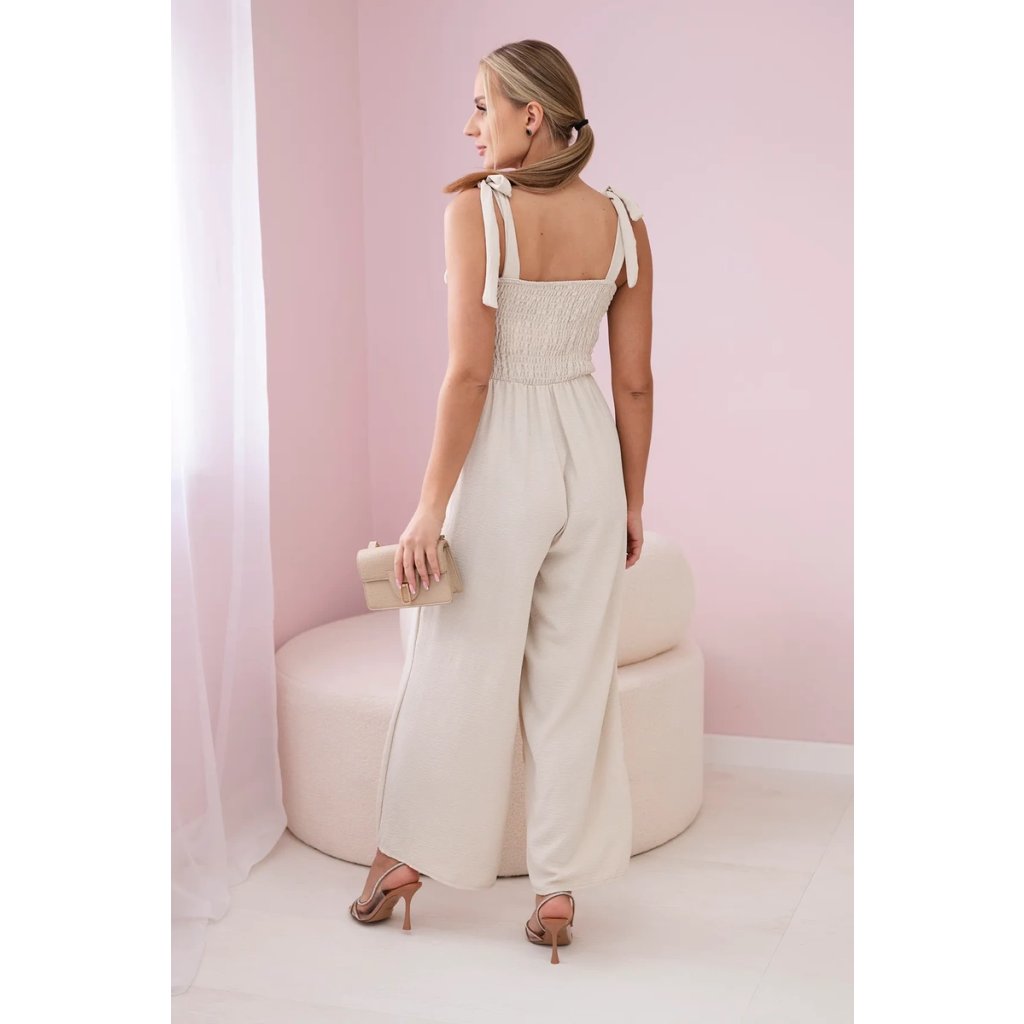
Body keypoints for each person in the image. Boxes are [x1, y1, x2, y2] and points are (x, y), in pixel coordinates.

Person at [349, 39, 653, 963]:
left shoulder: (478, 210)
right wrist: (632, 500)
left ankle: (407, 858)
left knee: (459, 663)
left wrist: (428, 507)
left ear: (533, 115)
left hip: (504, 453)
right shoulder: (625, 221)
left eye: (483, 106)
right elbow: (634, 383)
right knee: (575, 680)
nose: (469, 127)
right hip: (588, 451)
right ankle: (557, 893)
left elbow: (471, 374)